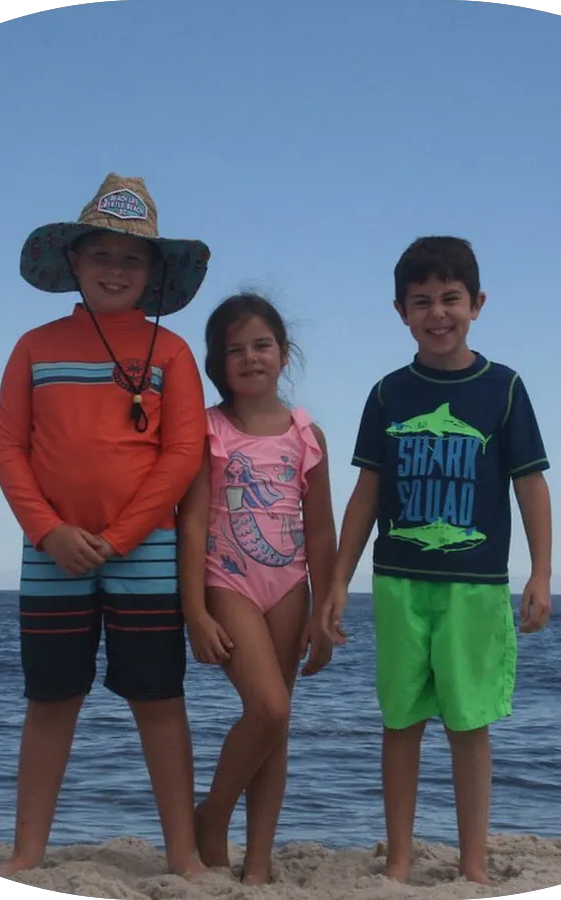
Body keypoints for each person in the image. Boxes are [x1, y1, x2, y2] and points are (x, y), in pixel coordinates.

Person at [0, 173, 213, 880]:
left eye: (131, 259)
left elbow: (183, 455)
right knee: (51, 698)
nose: (115, 270)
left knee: (159, 697)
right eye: (101, 255)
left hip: (146, 551)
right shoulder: (33, 346)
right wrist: (48, 530)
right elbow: (8, 450)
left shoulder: (171, 352)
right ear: (74, 262)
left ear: (153, 273)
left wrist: (120, 537)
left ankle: (182, 855)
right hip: (50, 550)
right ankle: (28, 852)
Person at [318, 236, 553, 886]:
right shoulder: (388, 394)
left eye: (451, 298)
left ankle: (473, 864)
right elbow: (366, 494)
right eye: (421, 301)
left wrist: (541, 572)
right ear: (401, 312)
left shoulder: (504, 389)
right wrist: (337, 581)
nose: (438, 313)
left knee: (469, 725)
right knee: (400, 720)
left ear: (477, 303)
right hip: (398, 583)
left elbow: (530, 483)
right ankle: (398, 859)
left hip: (475, 588)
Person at [176, 292, 339, 884]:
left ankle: (260, 862)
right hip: (228, 581)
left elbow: (319, 530)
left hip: (290, 585)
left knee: (278, 724)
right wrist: (194, 610)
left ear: (283, 353)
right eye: (235, 350)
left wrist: (325, 611)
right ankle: (212, 818)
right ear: (217, 364)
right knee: (268, 708)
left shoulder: (307, 434)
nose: (250, 358)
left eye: (262, 345)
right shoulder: (208, 430)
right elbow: (192, 522)